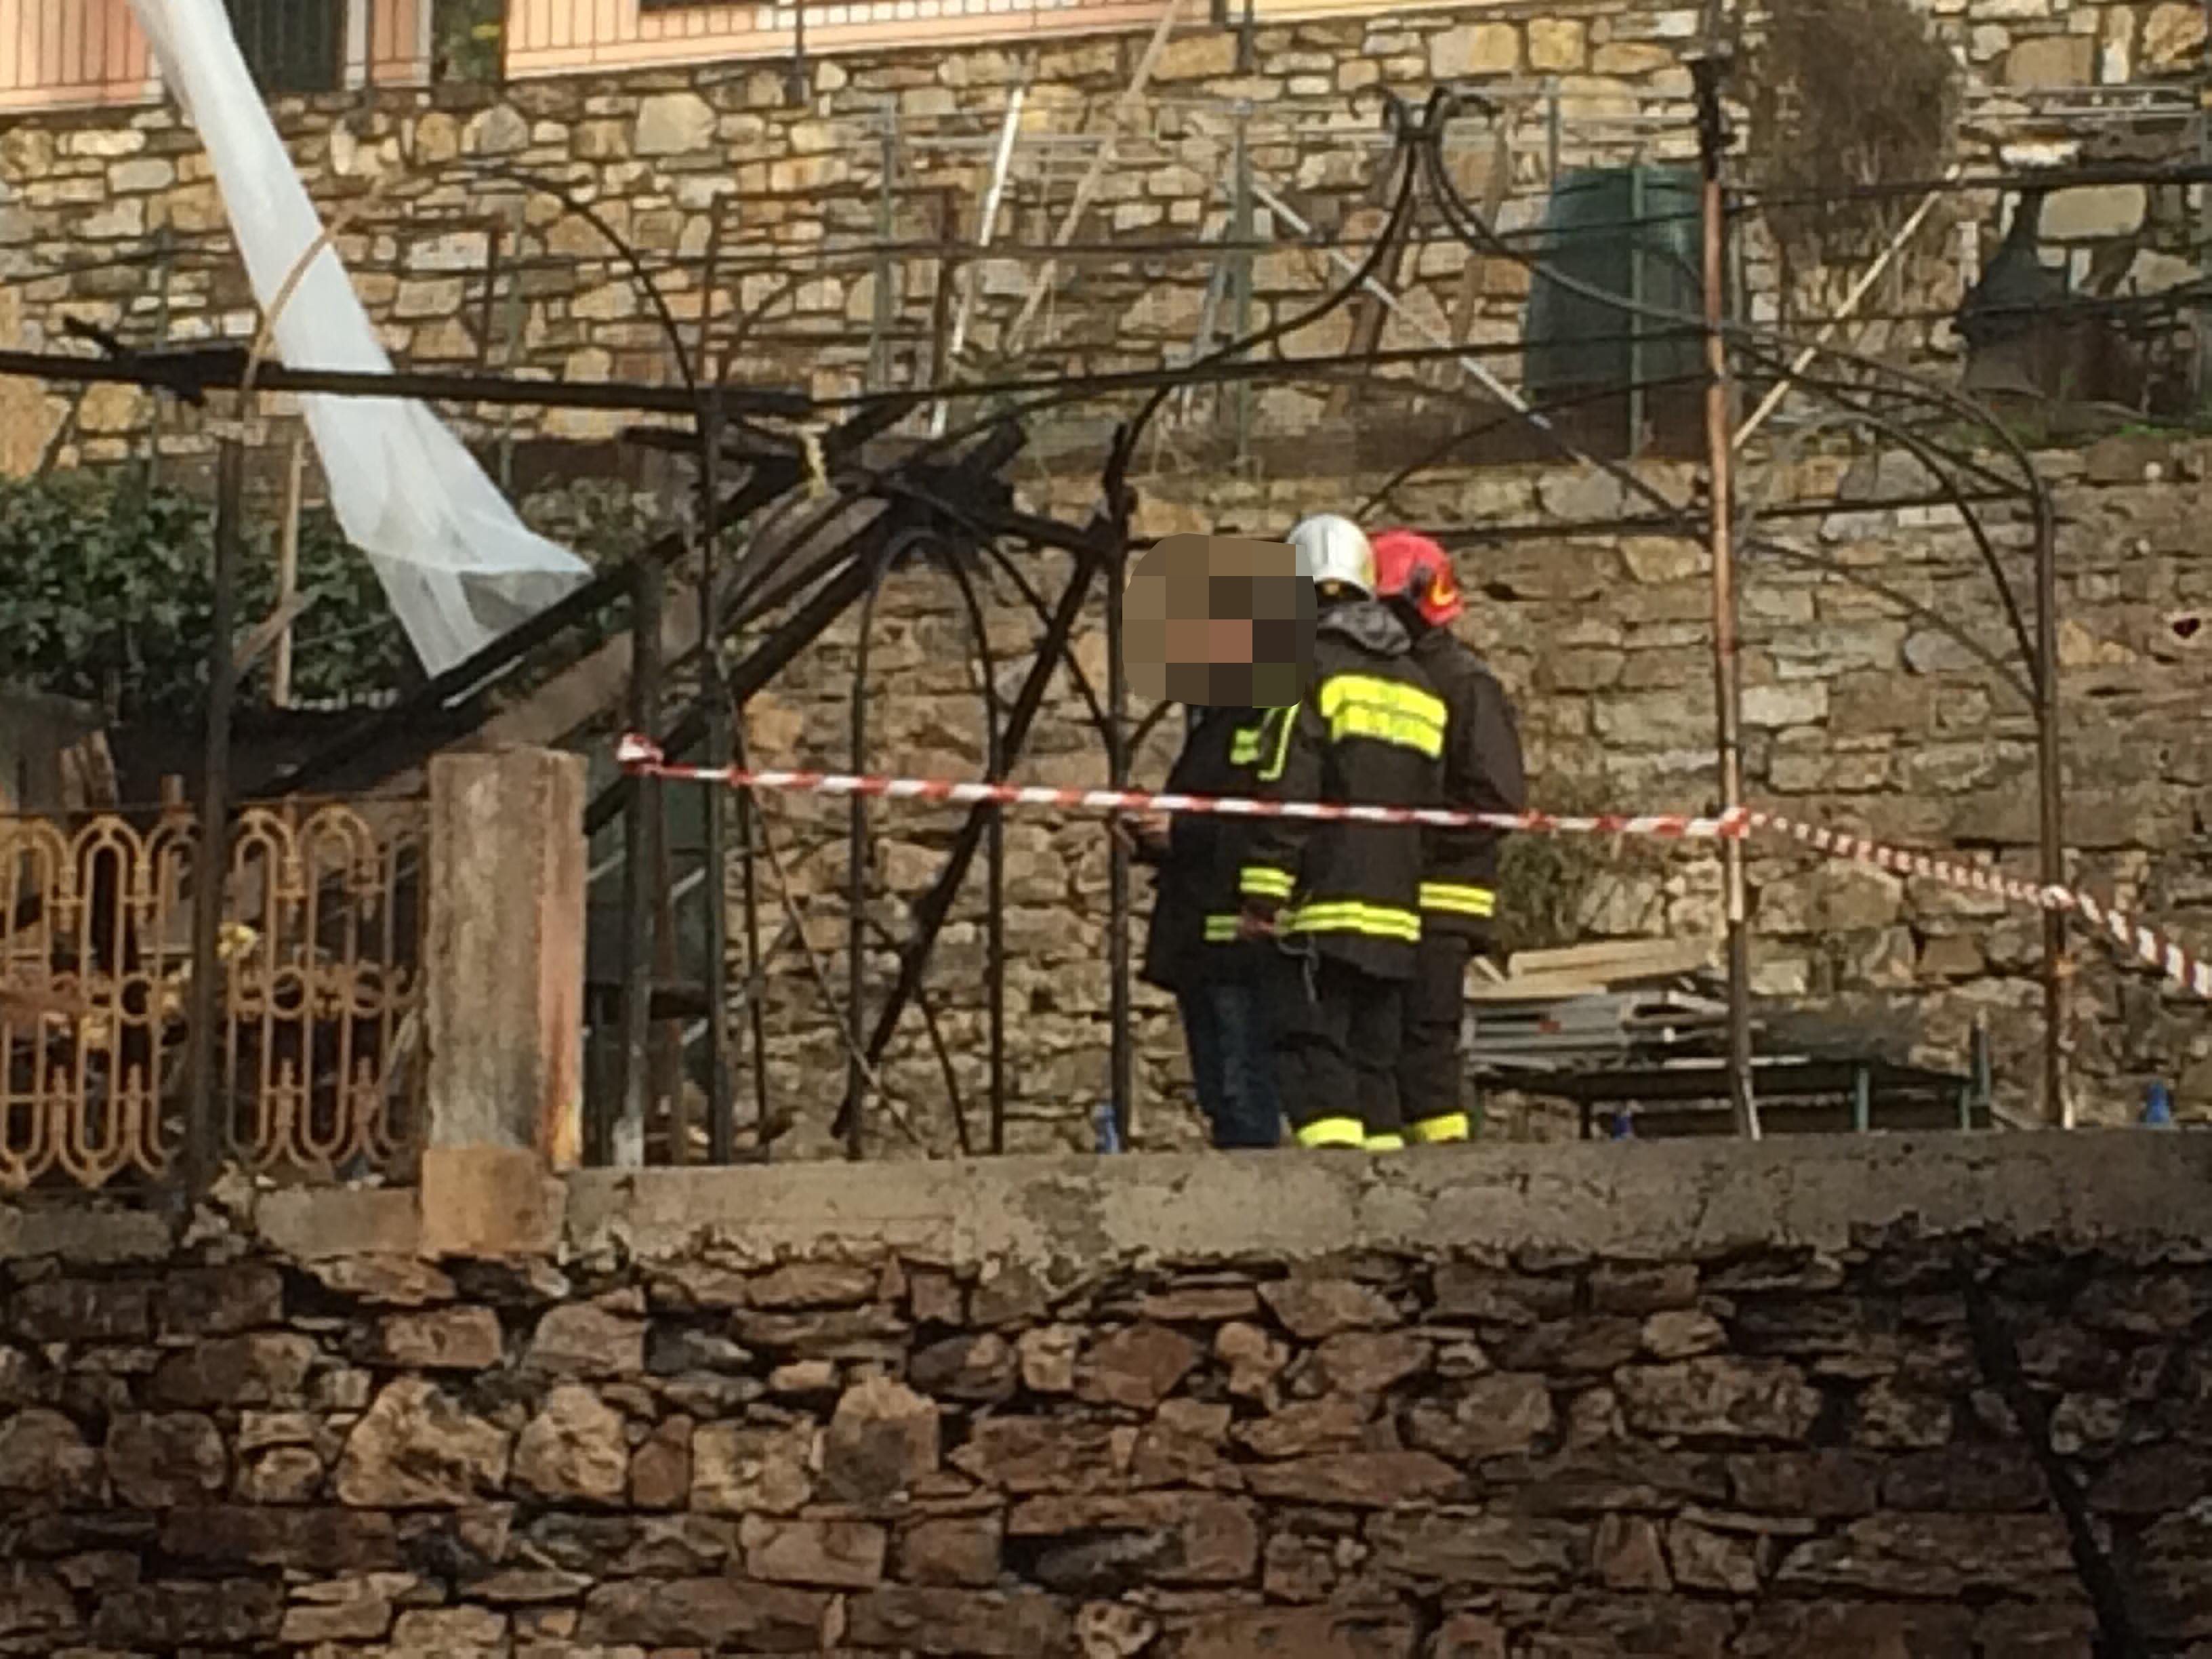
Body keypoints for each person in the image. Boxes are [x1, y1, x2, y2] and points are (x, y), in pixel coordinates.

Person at [1232, 514, 1446, 1151]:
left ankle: (1333, 1187)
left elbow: (1288, 789)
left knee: (1313, 1056)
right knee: (1374, 1068)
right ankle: (1386, 1194)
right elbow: (1433, 808)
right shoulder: (1419, 685)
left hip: (1319, 912)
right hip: (1397, 918)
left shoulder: (1302, 672)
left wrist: (1263, 895)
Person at [1370, 529, 1528, 1145]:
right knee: (1380, 1047)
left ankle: (1447, 1172)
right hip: (1391, 895)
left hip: (1441, 897)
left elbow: (1496, 798)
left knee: (1426, 1047)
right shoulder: (1400, 675)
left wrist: (1410, 846)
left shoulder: (1463, 683)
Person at [1130, 703, 1283, 1149]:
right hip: (1197, 938)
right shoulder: (1213, 725)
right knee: (1220, 1092)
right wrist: (1148, 836)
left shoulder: (1271, 719)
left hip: (1239, 941)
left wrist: (1181, 830)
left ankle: (1257, 1183)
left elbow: (1268, 824)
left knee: (1242, 1090)